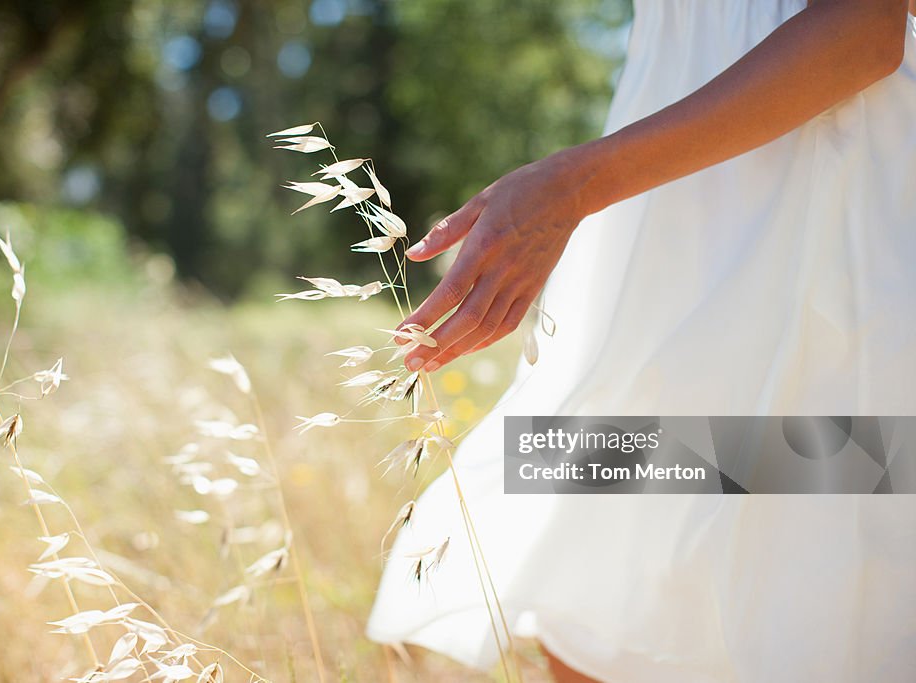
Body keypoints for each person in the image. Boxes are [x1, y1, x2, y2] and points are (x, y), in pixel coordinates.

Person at [367, 1, 916, 682]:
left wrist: (573, 185)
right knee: (598, 582)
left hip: (819, 215)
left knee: (815, 583)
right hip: (660, 223)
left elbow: (867, 29)